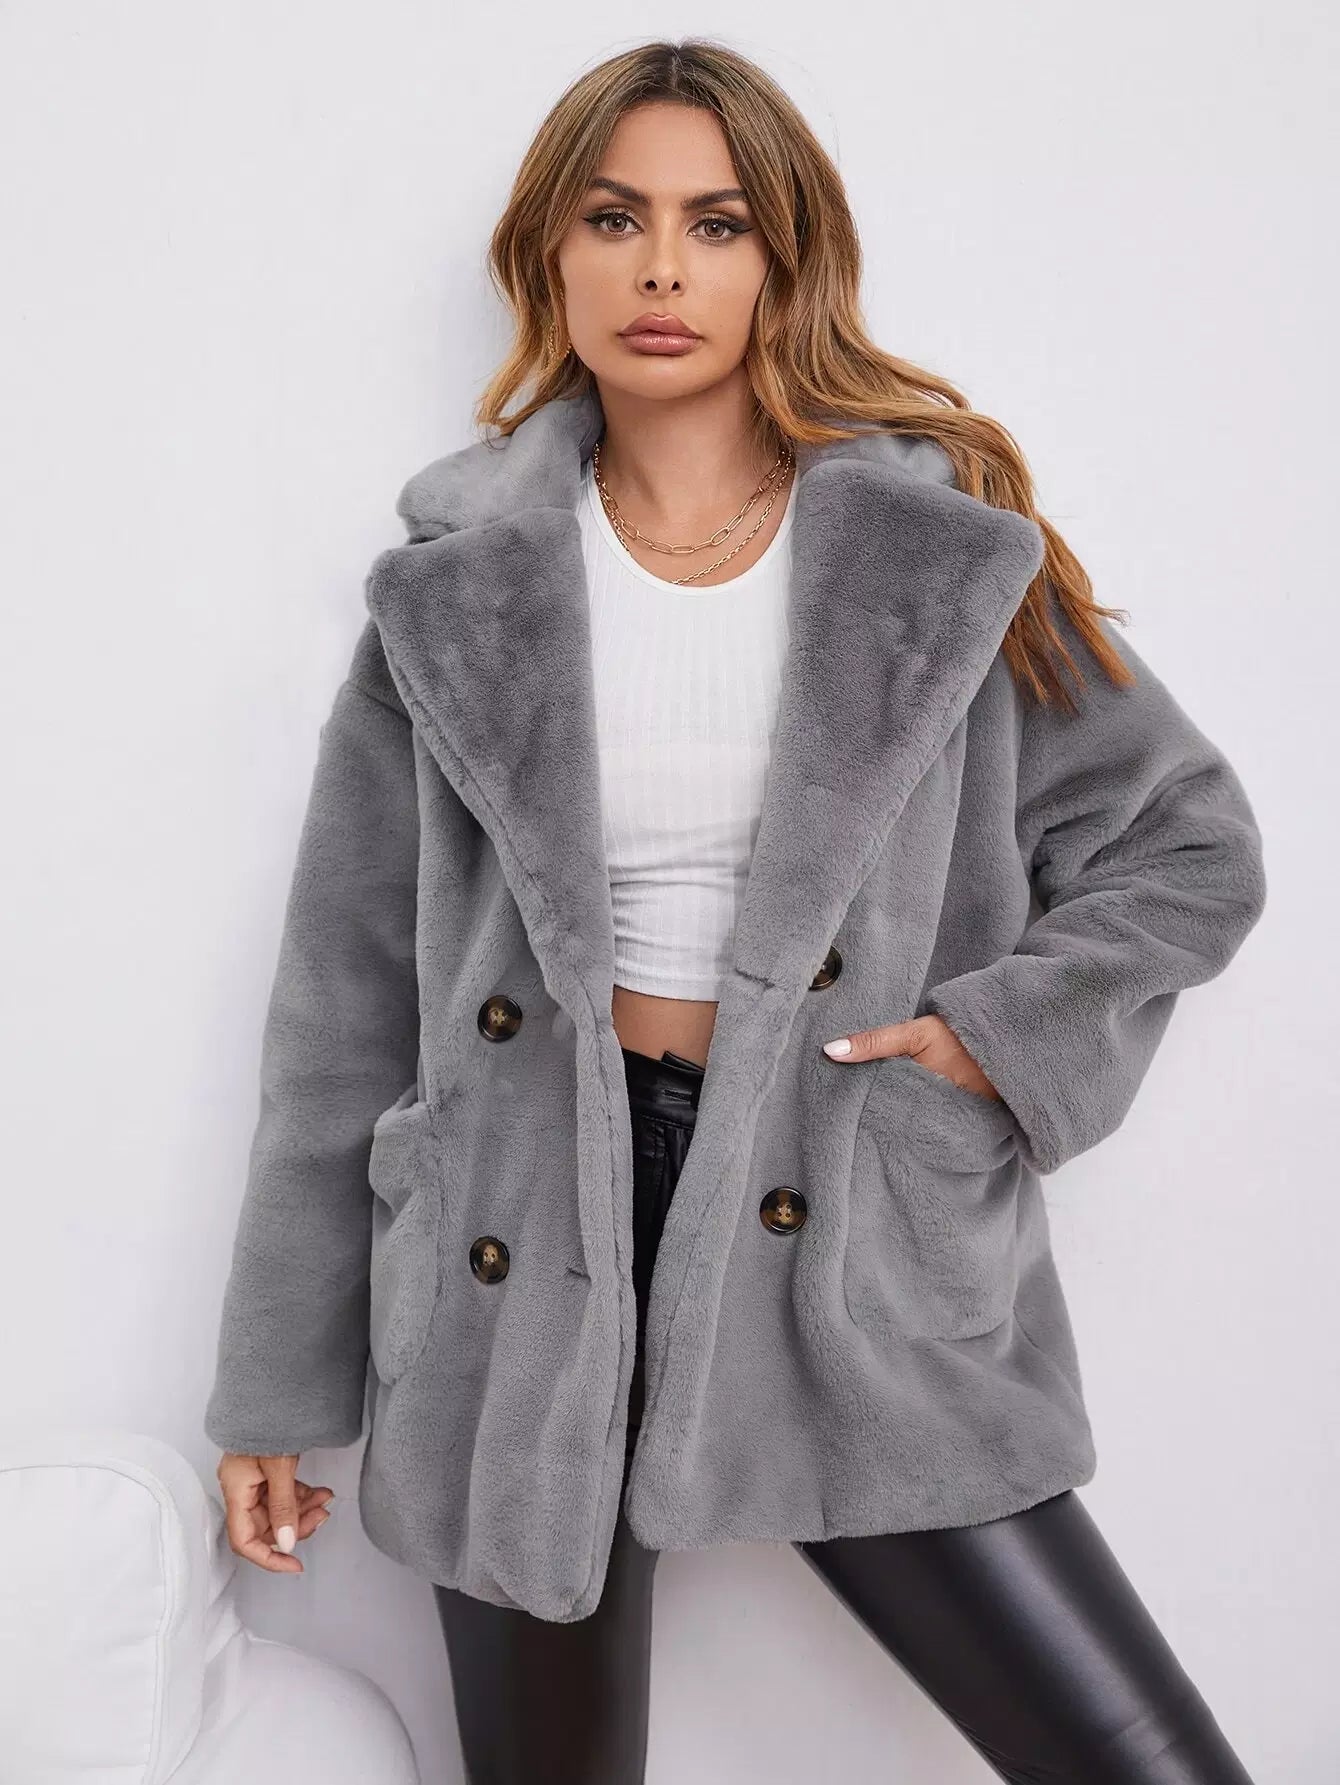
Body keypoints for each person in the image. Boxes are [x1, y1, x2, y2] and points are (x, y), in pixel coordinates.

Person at [205, 38, 1266, 1784]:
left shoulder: (934, 553)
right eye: (614, 218)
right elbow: (342, 999)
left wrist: (987, 1046)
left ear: (784, 260)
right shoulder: (453, 589)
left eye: (716, 224)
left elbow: (1188, 842)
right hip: (515, 1224)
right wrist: (274, 1385)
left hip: (848, 1200)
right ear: (550, 254)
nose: (662, 269)